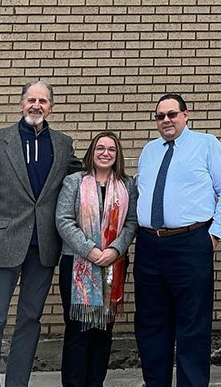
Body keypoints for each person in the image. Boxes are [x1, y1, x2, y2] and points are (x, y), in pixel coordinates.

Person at [0, 81, 80, 387]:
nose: (36, 105)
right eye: (31, 99)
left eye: (43, 101)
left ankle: (18, 383)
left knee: (30, 321)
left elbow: (80, 178)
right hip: (2, 242)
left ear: (50, 107)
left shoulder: (62, 143)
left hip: (43, 247)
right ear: (22, 104)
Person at [134, 93, 221, 387]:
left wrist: (215, 234)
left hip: (190, 244)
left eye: (171, 114)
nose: (166, 120)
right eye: (160, 116)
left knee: (192, 325)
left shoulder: (206, 145)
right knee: (151, 323)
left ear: (185, 115)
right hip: (149, 245)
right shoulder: (149, 150)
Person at [55, 132, 138, 387]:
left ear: (117, 155)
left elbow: (132, 222)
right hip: (78, 264)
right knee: (78, 331)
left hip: (113, 265)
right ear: (92, 152)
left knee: (103, 331)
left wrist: (114, 250)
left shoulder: (127, 185)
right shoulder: (74, 182)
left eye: (111, 149)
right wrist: (89, 250)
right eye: (100, 148)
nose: (106, 153)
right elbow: (63, 220)